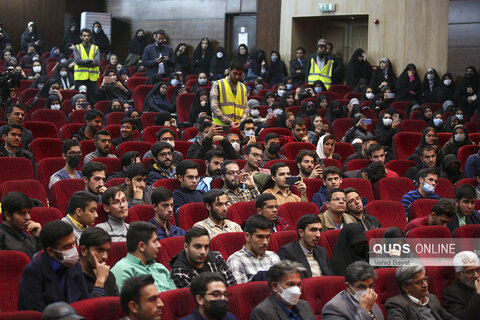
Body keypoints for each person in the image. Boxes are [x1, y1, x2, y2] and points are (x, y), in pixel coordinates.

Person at [18, 221, 89, 311]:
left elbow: (85, 303)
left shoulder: (75, 266)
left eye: (73, 244)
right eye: (67, 246)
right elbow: (36, 313)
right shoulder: (33, 272)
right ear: (51, 251)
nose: (73, 250)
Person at [111, 221, 176, 292]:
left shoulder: (160, 267)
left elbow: (174, 296)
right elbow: (127, 301)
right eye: (154, 241)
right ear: (141, 246)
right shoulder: (122, 270)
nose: (159, 245)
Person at [169, 227, 236, 288]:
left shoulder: (216, 257)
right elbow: (195, 299)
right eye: (198, 247)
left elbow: (233, 287)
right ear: (186, 247)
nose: (203, 252)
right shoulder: (179, 271)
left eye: (206, 247)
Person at [385, 265, 458, 320]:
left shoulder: (432, 298)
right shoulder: (396, 304)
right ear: (406, 287)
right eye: (419, 282)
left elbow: (449, 318)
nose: (425, 284)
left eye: (425, 279)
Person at [250, 261, 316, 319]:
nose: (296, 289)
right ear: (275, 286)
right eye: (290, 284)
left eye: (298, 284)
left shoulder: (305, 305)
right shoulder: (262, 312)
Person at [227, 215, 281, 283]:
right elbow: (241, 291)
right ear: (247, 236)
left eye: (268, 237)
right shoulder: (236, 260)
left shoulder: (273, 256)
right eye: (260, 237)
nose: (265, 242)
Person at [277, 214, 333, 278]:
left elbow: (331, 277)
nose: (318, 235)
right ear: (301, 232)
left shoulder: (322, 251)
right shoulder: (287, 252)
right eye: (313, 230)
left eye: (319, 230)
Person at [78, 227, 119, 297]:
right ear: (84, 251)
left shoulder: (108, 275)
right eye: (99, 250)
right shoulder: (71, 275)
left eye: (107, 251)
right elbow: (88, 307)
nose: (105, 257)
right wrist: (100, 280)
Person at [0, 191, 42, 259]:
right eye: (22, 213)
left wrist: (39, 237)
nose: (28, 217)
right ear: (7, 215)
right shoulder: (2, 238)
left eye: (28, 212)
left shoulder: (30, 237)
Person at [442, 251, 480, 320]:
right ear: (459, 275)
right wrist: (478, 294)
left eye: (478, 270)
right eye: (470, 272)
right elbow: (463, 318)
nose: (476, 275)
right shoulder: (451, 293)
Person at [211, 59, 248, 128]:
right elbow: (214, 107)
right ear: (229, 70)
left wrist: (242, 121)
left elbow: (246, 108)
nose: (237, 77)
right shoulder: (218, 84)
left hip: (238, 127)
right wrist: (229, 122)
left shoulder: (243, 87)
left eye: (240, 74)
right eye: (235, 73)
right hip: (221, 127)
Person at [73, 28, 99, 104]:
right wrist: (90, 60)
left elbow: (97, 62)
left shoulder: (95, 48)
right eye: (84, 36)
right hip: (80, 78)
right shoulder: (77, 47)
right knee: (79, 100)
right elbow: (77, 61)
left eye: (88, 36)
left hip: (92, 78)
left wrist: (83, 62)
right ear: (81, 37)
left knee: (92, 100)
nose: (86, 37)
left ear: (90, 37)